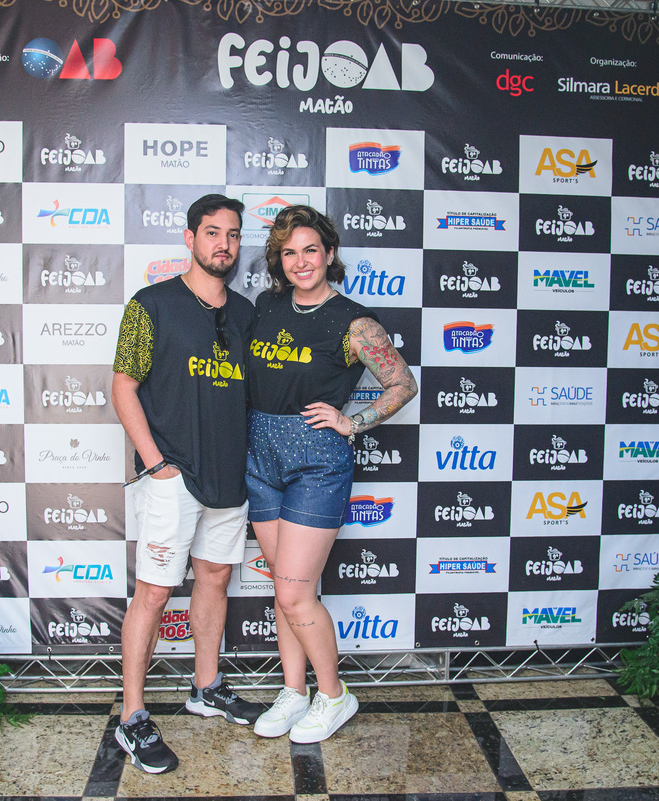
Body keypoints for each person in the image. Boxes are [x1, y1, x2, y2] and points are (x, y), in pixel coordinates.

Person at [245, 205, 417, 743]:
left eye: (310, 250)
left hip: (316, 461)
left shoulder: (355, 322)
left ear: (330, 254)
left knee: (295, 594)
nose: (300, 262)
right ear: (279, 259)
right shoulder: (267, 305)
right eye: (289, 252)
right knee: (283, 589)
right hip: (259, 457)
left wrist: (353, 421)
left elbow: (403, 383)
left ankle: (334, 695)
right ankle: (294, 692)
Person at [110, 194, 261, 774]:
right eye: (212, 232)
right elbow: (123, 387)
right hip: (172, 476)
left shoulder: (246, 312)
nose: (224, 243)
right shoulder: (151, 305)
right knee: (153, 593)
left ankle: (206, 687)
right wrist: (155, 463)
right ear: (190, 238)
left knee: (215, 579)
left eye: (233, 234)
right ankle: (132, 717)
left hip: (229, 476)